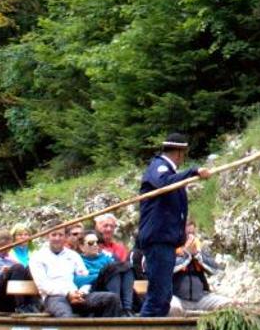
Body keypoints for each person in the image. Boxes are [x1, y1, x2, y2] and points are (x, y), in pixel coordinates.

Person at [138, 133, 210, 318]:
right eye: (183, 154)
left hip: (166, 241)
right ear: (179, 153)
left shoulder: (169, 173)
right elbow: (163, 184)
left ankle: (154, 329)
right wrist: (193, 171)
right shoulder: (159, 167)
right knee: (158, 294)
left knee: (164, 294)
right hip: (158, 239)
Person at [29, 226, 122, 318]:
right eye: (54, 235)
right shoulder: (37, 257)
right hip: (54, 297)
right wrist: (68, 294)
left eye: (60, 235)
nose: (57, 238)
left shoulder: (73, 255)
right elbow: (44, 286)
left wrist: (82, 293)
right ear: (47, 237)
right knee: (65, 315)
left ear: (65, 237)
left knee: (111, 299)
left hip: (77, 295)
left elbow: (84, 278)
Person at [0, 223, 38, 313]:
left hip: (9, 299)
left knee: (29, 268)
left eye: (8, 247)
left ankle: (30, 304)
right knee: (18, 267)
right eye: (2, 247)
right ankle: (20, 305)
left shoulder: (11, 260)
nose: (5, 250)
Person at [171, 219, 223, 314]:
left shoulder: (200, 248)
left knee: (228, 304)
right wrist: (187, 255)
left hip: (201, 298)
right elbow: (165, 269)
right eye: (188, 234)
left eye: (192, 233)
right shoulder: (169, 247)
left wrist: (197, 255)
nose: (191, 237)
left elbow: (215, 269)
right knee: (172, 309)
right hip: (176, 297)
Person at [89, 213, 136, 314]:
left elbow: (125, 269)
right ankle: (118, 307)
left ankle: (127, 309)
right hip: (97, 285)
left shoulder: (120, 249)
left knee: (126, 267)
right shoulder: (88, 245)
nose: (109, 229)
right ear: (97, 226)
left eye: (112, 226)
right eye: (105, 225)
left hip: (120, 286)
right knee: (114, 269)